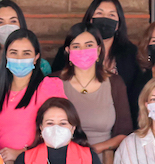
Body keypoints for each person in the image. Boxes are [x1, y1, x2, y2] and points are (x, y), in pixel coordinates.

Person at [51, 0, 139, 116]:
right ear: (90, 19)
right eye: (99, 13)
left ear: (119, 24)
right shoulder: (68, 52)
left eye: (111, 15)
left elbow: (135, 95)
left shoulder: (131, 53)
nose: (105, 19)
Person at [0, 29, 66, 164]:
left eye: (26, 53)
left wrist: (23, 152)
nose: (19, 59)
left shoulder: (48, 87)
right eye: (13, 52)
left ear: (36, 57)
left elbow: (60, 132)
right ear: (5, 55)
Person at [56, 23, 132, 156]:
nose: (83, 50)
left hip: (103, 160)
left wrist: (93, 150)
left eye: (89, 45)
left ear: (98, 50)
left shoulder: (114, 83)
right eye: (76, 46)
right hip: (63, 159)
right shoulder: (54, 82)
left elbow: (124, 133)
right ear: (68, 51)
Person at [0, 0, 51, 74]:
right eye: (0, 22)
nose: (7, 26)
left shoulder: (42, 66)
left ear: (21, 24)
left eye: (13, 21)